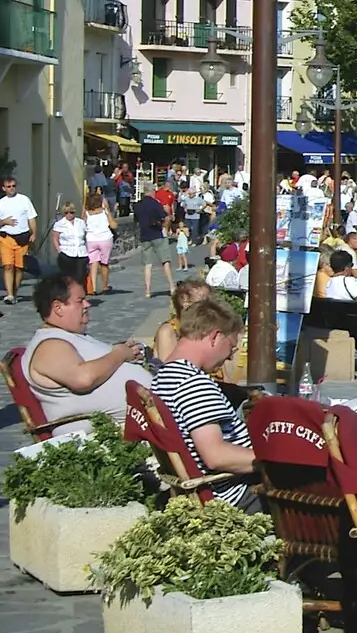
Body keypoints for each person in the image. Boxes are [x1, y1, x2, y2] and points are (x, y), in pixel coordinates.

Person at [151, 298, 257, 509]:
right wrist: (275, 461)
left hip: (211, 489)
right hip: (234, 496)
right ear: (215, 337)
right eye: (231, 348)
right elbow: (215, 455)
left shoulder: (164, 376)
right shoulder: (193, 384)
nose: (228, 358)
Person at [21, 274, 150, 435]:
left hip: (139, 421)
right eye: (80, 300)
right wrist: (119, 354)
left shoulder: (66, 336)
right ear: (58, 308)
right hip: (114, 433)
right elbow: (83, 379)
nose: (87, 304)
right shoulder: (49, 345)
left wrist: (123, 352)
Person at [0, 175, 39, 305]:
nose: (11, 188)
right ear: (3, 188)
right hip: (6, 237)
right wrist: (4, 221)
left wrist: (34, 233)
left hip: (22, 237)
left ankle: (14, 291)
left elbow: (31, 218)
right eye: (9, 186)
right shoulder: (1, 202)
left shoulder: (24, 200)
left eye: (13, 186)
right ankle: (10, 294)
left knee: (19, 268)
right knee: (8, 266)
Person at [133, 185, 176, 299]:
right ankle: (172, 287)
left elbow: (136, 220)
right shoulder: (155, 203)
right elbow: (165, 217)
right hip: (157, 234)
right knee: (165, 261)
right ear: (151, 192)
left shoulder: (137, 205)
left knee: (148, 264)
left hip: (145, 236)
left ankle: (147, 291)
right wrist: (165, 228)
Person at [84, 192, 117, 295]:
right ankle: (105, 286)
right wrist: (107, 209)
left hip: (91, 239)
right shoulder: (104, 212)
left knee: (93, 263)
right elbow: (114, 225)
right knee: (104, 263)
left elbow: (82, 223)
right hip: (105, 238)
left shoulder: (87, 213)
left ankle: (93, 288)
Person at [50, 202, 90, 287]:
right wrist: (60, 252)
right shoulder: (59, 224)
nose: (69, 215)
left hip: (81, 253)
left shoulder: (81, 222)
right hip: (66, 253)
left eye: (71, 212)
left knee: (80, 276)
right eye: (66, 213)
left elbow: (86, 236)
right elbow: (54, 238)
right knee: (68, 277)